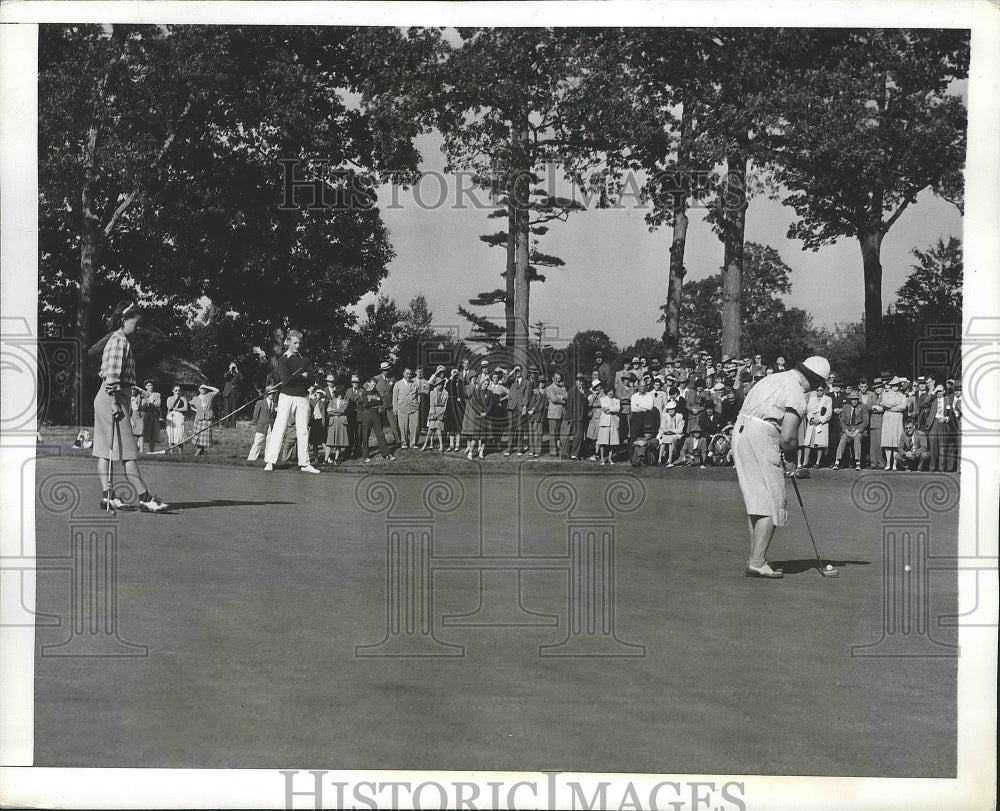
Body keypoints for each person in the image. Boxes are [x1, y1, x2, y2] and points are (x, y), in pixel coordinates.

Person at [733, 355, 829, 579]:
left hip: (741, 431)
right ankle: (757, 562)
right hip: (762, 435)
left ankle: (755, 558)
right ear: (815, 382)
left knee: (758, 499)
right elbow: (788, 438)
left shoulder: (773, 378)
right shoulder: (796, 393)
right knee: (772, 501)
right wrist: (792, 458)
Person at [91, 300, 170, 512]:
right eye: (135, 324)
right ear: (123, 320)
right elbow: (111, 376)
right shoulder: (119, 341)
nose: (137, 328)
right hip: (113, 398)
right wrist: (115, 403)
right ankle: (145, 498)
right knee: (128, 452)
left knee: (106, 451)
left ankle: (109, 497)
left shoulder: (120, 340)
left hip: (113, 397)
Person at [263, 329, 321, 473]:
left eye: (299, 343)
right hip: (286, 396)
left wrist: (303, 378)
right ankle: (270, 461)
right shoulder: (283, 359)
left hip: (302, 397)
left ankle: (305, 463)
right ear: (288, 342)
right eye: (295, 343)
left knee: (303, 431)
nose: (297, 346)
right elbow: (286, 380)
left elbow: (312, 379)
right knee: (279, 427)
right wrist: (303, 376)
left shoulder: (305, 359)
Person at [357, 376, 395, 463]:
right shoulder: (364, 393)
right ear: (368, 383)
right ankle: (365, 455)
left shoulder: (376, 392)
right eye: (372, 384)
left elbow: (381, 401)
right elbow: (366, 404)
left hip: (376, 414)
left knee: (380, 434)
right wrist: (374, 400)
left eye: (375, 385)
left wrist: (372, 400)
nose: (373, 386)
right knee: (365, 435)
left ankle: (386, 453)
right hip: (367, 414)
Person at [832, 389, 869, 470]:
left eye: (856, 399)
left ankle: (857, 461)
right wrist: (846, 431)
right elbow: (842, 421)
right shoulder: (845, 407)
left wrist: (858, 430)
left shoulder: (863, 407)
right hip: (847, 429)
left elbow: (866, 421)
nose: (854, 401)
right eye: (852, 399)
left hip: (858, 429)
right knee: (843, 440)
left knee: (857, 439)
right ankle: (837, 461)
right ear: (850, 400)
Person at [879, 377, 908, 471]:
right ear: (891, 385)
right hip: (888, 418)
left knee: (896, 442)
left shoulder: (902, 395)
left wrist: (891, 407)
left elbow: (903, 407)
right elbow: (885, 404)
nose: (895, 387)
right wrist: (896, 403)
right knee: (888, 442)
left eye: (897, 385)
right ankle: (888, 463)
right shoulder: (885, 394)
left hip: (898, 418)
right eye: (893, 385)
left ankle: (895, 464)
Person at [801, 383, 832, 468]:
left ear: (824, 391)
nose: (819, 392)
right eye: (817, 390)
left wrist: (819, 420)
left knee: (820, 444)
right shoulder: (812, 399)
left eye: (821, 390)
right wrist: (811, 419)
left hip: (821, 424)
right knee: (808, 443)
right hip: (812, 423)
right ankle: (805, 461)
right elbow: (808, 410)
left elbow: (829, 413)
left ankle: (818, 462)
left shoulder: (828, 399)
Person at [503, 365, 530, 456]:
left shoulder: (526, 382)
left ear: (521, 371)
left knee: (520, 429)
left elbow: (526, 395)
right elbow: (504, 381)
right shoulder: (511, 381)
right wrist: (512, 371)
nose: (517, 372)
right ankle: (509, 449)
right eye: (516, 371)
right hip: (511, 407)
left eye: (518, 370)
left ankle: (519, 449)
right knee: (511, 428)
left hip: (520, 408)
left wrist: (525, 406)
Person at [374, 362, 401, 449]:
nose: (386, 371)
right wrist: (375, 398)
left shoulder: (393, 379)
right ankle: (382, 443)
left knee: (394, 424)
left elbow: (398, 389)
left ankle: (398, 441)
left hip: (390, 405)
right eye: (384, 370)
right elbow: (366, 388)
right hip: (380, 405)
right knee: (380, 425)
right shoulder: (376, 378)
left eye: (387, 370)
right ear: (382, 370)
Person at [324, 385, 351, 465]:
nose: (340, 395)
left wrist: (334, 410)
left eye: (342, 393)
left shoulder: (346, 401)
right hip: (333, 422)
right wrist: (336, 411)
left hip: (341, 422)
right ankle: (325, 460)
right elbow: (328, 412)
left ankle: (336, 460)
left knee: (339, 442)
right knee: (329, 442)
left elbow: (343, 410)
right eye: (339, 393)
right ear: (336, 394)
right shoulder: (332, 401)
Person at [247, 389, 276, 462]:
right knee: (257, 442)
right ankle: (252, 458)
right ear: (267, 394)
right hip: (261, 425)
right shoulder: (260, 402)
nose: (272, 395)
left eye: (273, 393)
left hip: (271, 426)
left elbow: (275, 416)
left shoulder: (275, 404)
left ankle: (267, 459)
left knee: (269, 444)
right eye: (270, 393)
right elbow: (255, 415)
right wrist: (257, 423)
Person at [421, 376, 448, 453]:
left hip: (441, 412)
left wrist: (439, 413)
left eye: (441, 384)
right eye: (438, 384)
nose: (440, 386)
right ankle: (425, 444)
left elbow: (445, 406)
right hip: (433, 411)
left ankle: (441, 445)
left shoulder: (446, 393)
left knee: (438, 427)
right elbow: (431, 404)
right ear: (435, 385)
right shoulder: (432, 393)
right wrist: (434, 414)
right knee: (430, 428)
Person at [191, 383, 219, 457]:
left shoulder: (209, 395)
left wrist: (207, 386)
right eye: (201, 388)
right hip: (198, 420)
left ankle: (196, 455)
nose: (203, 389)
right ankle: (201, 455)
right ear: (199, 389)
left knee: (204, 438)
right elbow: (190, 405)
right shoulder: (195, 398)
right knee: (198, 438)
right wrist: (196, 410)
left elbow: (217, 390)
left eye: (204, 388)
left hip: (207, 420)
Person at [545, 372, 568, 456]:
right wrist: (563, 399)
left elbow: (567, 396)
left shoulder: (563, 387)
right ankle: (553, 451)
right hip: (553, 413)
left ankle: (564, 451)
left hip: (563, 413)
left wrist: (561, 397)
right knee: (553, 433)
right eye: (556, 378)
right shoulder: (549, 388)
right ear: (553, 378)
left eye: (559, 378)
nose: (558, 380)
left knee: (564, 433)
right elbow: (554, 399)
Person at [657, 400, 685, 466]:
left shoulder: (679, 416)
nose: (671, 411)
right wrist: (667, 431)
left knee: (671, 440)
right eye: (669, 409)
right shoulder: (665, 416)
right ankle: (659, 459)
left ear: (675, 409)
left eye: (672, 409)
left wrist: (670, 430)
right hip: (666, 434)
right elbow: (662, 428)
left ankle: (670, 458)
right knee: (663, 440)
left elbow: (680, 430)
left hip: (676, 434)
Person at [525, 373, 547, 457]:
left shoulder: (543, 395)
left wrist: (533, 411)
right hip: (531, 417)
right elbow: (528, 404)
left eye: (536, 390)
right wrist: (528, 410)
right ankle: (532, 450)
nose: (536, 391)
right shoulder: (532, 396)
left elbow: (542, 407)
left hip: (538, 416)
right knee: (531, 434)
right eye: (534, 390)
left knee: (538, 433)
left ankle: (537, 451)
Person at [138, 379, 162, 453]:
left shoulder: (157, 394)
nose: (150, 387)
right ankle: (140, 451)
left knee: (153, 433)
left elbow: (158, 404)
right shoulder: (142, 394)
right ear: (145, 387)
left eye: (151, 385)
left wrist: (150, 404)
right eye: (148, 385)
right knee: (143, 432)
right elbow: (143, 405)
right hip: (145, 414)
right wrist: (151, 405)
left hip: (154, 415)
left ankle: (151, 451)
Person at [444, 368, 465, 452]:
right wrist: (451, 377)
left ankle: (457, 445)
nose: (455, 375)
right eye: (453, 373)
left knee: (457, 426)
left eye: (456, 374)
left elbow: (462, 392)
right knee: (451, 426)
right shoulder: (450, 382)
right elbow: (447, 388)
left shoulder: (461, 383)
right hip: (450, 404)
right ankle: (451, 445)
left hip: (458, 405)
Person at [345, 374, 365, 458]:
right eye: (353, 382)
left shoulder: (363, 391)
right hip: (350, 416)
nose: (355, 384)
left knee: (358, 434)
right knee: (350, 434)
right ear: (351, 383)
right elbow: (345, 402)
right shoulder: (348, 391)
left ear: (359, 383)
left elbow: (364, 403)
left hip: (359, 416)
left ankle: (357, 451)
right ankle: (348, 451)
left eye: (356, 382)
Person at [165, 383, 189, 455]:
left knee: (179, 435)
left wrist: (177, 409)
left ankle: (180, 454)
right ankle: (171, 454)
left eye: (179, 390)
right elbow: (169, 407)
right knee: (171, 435)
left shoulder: (183, 398)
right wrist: (176, 399)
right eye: (176, 390)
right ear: (173, 391)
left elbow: (185, 408)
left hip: (179, 417)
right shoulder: (170, 398)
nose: (177, 392)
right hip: (171, 417)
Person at [221, 362, 244, 427]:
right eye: (232, 366)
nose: (233, 367)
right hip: (227, 393)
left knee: (234, 409)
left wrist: (237, 370)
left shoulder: (237, 374)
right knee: (227, 409)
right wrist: (230, 370)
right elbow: (225, 377)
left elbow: (242, 379)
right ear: (229, 367)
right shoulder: (227, 373)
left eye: (234, 366)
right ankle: (226, 424)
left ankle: (233, 425)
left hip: (234, 394)